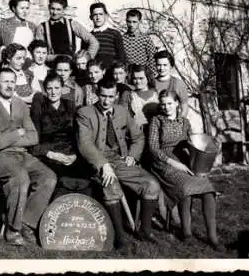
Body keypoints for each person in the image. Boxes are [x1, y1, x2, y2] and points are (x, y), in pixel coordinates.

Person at [76, 78, 161, 250]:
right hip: (95, 162)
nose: (106, 100)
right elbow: (84, 144)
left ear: (116, 96)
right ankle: (120, 236)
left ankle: (144, 230)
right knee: (111, 186)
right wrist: (103, 164)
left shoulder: (122, 111)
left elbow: (138, 137)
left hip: (120, 159)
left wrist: (133, 155)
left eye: (110, 96)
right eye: (102, 96)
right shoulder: (84, 113)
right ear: (96, 94)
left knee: (151, 185)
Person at [0, 68, 57, 246]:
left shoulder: (20, 104)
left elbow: (33, 137)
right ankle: (13, 231)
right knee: (20, 178)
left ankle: (26, 223)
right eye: (5, 81)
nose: (9, 85)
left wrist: (11, 138)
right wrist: (18, 133)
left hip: (21, 154)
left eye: (12, 82)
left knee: (48, 177)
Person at [148, 90, 223, 251]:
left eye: (169, 103)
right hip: (164, 163)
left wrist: (200, 163)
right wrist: (174, 163)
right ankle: (187, 233)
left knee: (208, 191)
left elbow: (193, 144)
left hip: (183, 160)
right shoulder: (157, 121)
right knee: (185, 189)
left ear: (176, 103)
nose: (166, 107)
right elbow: (153, 148)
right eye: (163, 104)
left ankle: (213, 237)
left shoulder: (184, 122)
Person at [30, 73, 92, 198]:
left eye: (57, 88)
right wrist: (53, 155)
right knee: (59, 178)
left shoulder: (70, 106)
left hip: (70, 153)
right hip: (49, 154)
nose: (53, 92)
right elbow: (33, 142)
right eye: (49, 88)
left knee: (87, 173)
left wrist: (75, 155)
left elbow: (78, 136)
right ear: (45, 90)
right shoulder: (39, 108)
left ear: (62, 89)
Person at [35, 0, 99, 65]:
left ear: (64, 9)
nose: (55, 12)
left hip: (71, 67)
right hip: (51, 68)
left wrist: (87, 58)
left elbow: (94, 42)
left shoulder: (72, 24)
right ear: (48, 7)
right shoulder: (41, 27)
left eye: (58, 9)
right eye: (52, 9)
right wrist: (56, 57)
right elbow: (39, 53)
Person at [83, 2, 125, 69]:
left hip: (111, 73)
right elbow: (84, 59)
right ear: (91, 17)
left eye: (101, 14)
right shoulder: (87, 36)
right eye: (95, 15)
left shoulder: (115, 34)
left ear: (106, 16)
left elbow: (121, 57)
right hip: (94, 74)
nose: (98, 17)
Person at [119, 64, 159, 130]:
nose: (138, 81)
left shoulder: (157, 93)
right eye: (135, 78)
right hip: (137, 133)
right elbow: (122, 117)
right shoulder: (127, 95)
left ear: (148, 78)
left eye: (141, 78)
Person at [152, 50, 189, 118]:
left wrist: (178, 124)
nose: (161, 68)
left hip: (173, 124)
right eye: (158, 65)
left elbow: (184, 109)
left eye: (165, 65)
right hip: (154, 123)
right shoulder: (151, 83)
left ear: (171, 66)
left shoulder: (178, 83)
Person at [122, 9, 156, 76]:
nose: (131, 25)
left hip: (142, 75)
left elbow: (153, 58)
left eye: (134, 22)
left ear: (139, 22)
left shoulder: (146, 39)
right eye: (129, 21)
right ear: (126, 21)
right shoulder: (122, 39)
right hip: (127, 76)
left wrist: (151, 76)